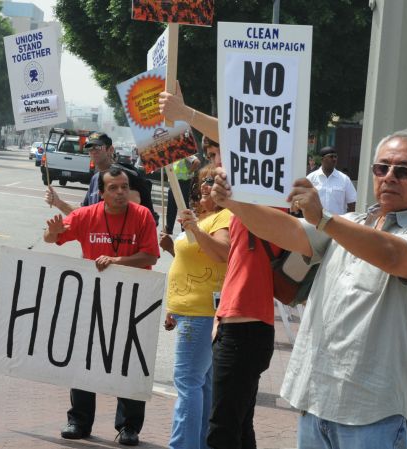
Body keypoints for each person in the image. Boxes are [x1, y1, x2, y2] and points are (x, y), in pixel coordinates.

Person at [208, 128, 407, 449]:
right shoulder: (352, 223)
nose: (390, 176)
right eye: (382, 168)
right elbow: (288, 231)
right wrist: (234, 202)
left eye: (403, 170)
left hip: (375, 415)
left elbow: (393, 255)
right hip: (318, 402)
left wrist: (324, 218)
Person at [159, 88, 280, 449]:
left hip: (245, 325)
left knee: (223, 428)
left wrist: (187, 112)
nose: (214, 167)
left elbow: (221, 254)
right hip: (230, 320)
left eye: (218, 156)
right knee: (236, 426)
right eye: (211, 159)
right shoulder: (239, 206)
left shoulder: (253, 203)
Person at [43, 166, 160, 446]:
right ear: (101, 193)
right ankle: (79, 421)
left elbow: (150, 255)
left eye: (124, 187)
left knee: (128, 363)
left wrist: (117, 260)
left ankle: (129, 426)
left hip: (131, 301)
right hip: (92, 299)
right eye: (113, 188)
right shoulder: (85, 215)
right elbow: (53, 238)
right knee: (85, 361)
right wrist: (52, 233)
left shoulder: (142, 216)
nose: (120, 192)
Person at [160, 163, 231, 449]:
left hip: (201, 312)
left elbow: (222, 252)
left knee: (188, 382)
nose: (204, 186)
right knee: (200, 384)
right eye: (203, 181)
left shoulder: (224, 216)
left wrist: (195, 231)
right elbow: (192, 261)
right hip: (189, 310)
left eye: (212, 181)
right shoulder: (204, 218)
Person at [46, 132, 158, 224]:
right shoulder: (95, 178)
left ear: (111, 150)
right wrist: (58, 202)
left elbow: (134, 206)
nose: (93, 151)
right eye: (89, 147)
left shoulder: (123, 176)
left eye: (98, 147)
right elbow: (83, 214)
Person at [306, 146, 357, 214]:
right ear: (322, 159)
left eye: (336, 157)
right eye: (331, 156)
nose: (334, 159)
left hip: (338, 222)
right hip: (315, 222)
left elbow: (352, 203)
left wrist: (348, 221)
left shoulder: (344, 179)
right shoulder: (311, 178)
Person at [166, 154, 200, 234]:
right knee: (171, 206)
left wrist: (189, 173)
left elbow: (197, 162)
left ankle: (185, 229)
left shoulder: (182, 152)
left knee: (183, 206)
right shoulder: (171, 154)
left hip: (183, 182)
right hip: (174, 181)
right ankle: (169, 228)